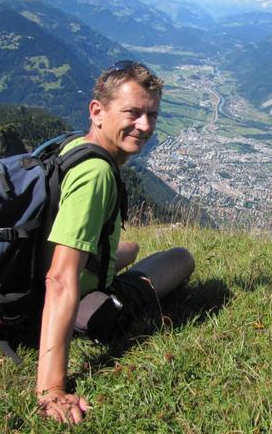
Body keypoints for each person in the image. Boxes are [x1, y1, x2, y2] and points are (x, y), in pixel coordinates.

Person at [35, 61, 195, 424]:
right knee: (181, 258)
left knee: (132, 247)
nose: (145, 126)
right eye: (133, 113)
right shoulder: (97, 174)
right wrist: (52, 388)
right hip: (80, 308)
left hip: (32, 276)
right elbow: (61, 279)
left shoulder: (74, 146)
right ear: (98, 111)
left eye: (152, 114)